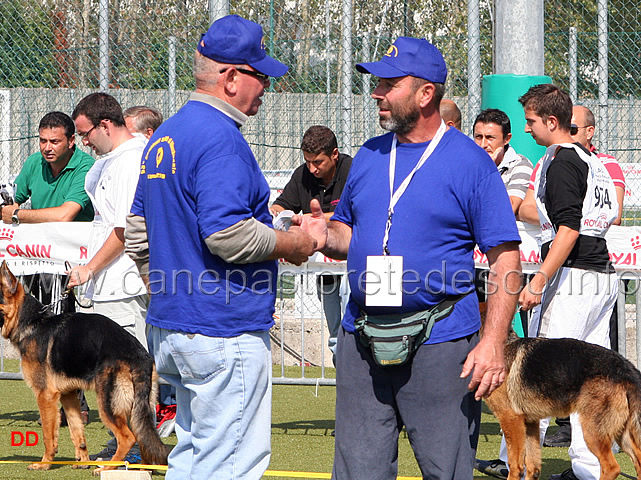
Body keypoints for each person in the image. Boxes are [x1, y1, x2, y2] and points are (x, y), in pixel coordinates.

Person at [296, 36, 522, 479]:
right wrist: (324, 236)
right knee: (359, 471)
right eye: (378, 83)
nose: (377, 93)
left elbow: (504, 260)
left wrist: (493, 342)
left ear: (425, 94)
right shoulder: (368, 155)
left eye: (388, 83)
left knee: (446, 470)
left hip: (440, 340)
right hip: (361, 336)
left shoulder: (470, 162)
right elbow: (350, 234)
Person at [124, 14, 316, 479]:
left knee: (192, 459)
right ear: (231, 78)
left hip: (175, 326)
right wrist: (293, 242)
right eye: (260, 75)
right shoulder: (220, 139)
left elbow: (136, 230)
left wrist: (169, 291)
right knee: (229, 465)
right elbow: (227, 235)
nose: (266, 86)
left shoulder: (165, 135)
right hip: (221, 329)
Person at [513, 84, 617, 480]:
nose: (528, 130)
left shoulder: (560, 161)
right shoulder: (591, 160)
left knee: (539, 374)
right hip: (601, 276)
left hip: (572, 278)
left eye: (531, 122)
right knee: (593, 380)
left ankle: (520, 464)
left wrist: (539, 279)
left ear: (552, 122)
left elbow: (569, 228)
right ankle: (589, 469)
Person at [67, 92, 149, 462]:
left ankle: (130, 447)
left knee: (124, 372)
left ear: (105, 125)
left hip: (124, 282)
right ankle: (128, 443)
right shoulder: (121, 159)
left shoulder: (129, 162)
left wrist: (89, 268)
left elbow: (123, 230)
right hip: (114, 281)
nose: (83, 142)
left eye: (85, 133)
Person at [4, 111, 94, 425]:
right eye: (43, 141)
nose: (47, 147)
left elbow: (65, 215)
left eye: (54, 141)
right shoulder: (33, 164)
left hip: (77, 263)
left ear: (71, 141)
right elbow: (12, 198)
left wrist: (15, 216)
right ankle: (50, 395)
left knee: (68, 334)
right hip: (35, 259)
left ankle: (76, 401)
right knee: (35, 334)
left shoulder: (86, 167)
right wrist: (10, 206)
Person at [270, 125, 352, 363]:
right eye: (308, 161)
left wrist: (310, 219)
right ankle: (342, 382)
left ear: (334, 154)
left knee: (351, 328)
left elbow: (350, 214)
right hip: (324, 269)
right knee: (335, 335)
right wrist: (273, 214)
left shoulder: (352, 170)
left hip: (352, 264)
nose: (312, 168)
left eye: (318, 162)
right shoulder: (303, 174)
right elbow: (282, 204)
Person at [473, 108, 533, 214]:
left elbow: (509, 208)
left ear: (506, 139)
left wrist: (488, 170)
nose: (483, 144)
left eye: (490, 138)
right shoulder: (466, 165)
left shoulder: (520, 165)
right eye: (478, 137)